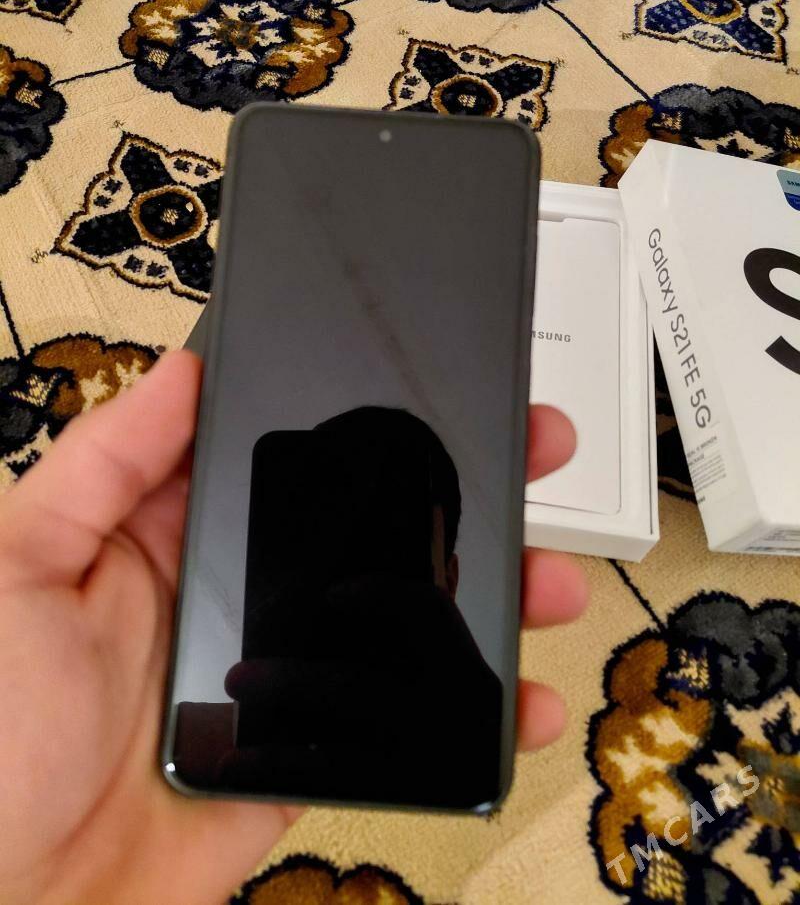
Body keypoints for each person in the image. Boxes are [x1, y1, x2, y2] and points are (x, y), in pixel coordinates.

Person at [0, 350, 588, 903]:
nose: (349, 559)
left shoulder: (460, 725)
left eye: (384, 533)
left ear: (449, 578)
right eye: (327, 527)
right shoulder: (180, 740)